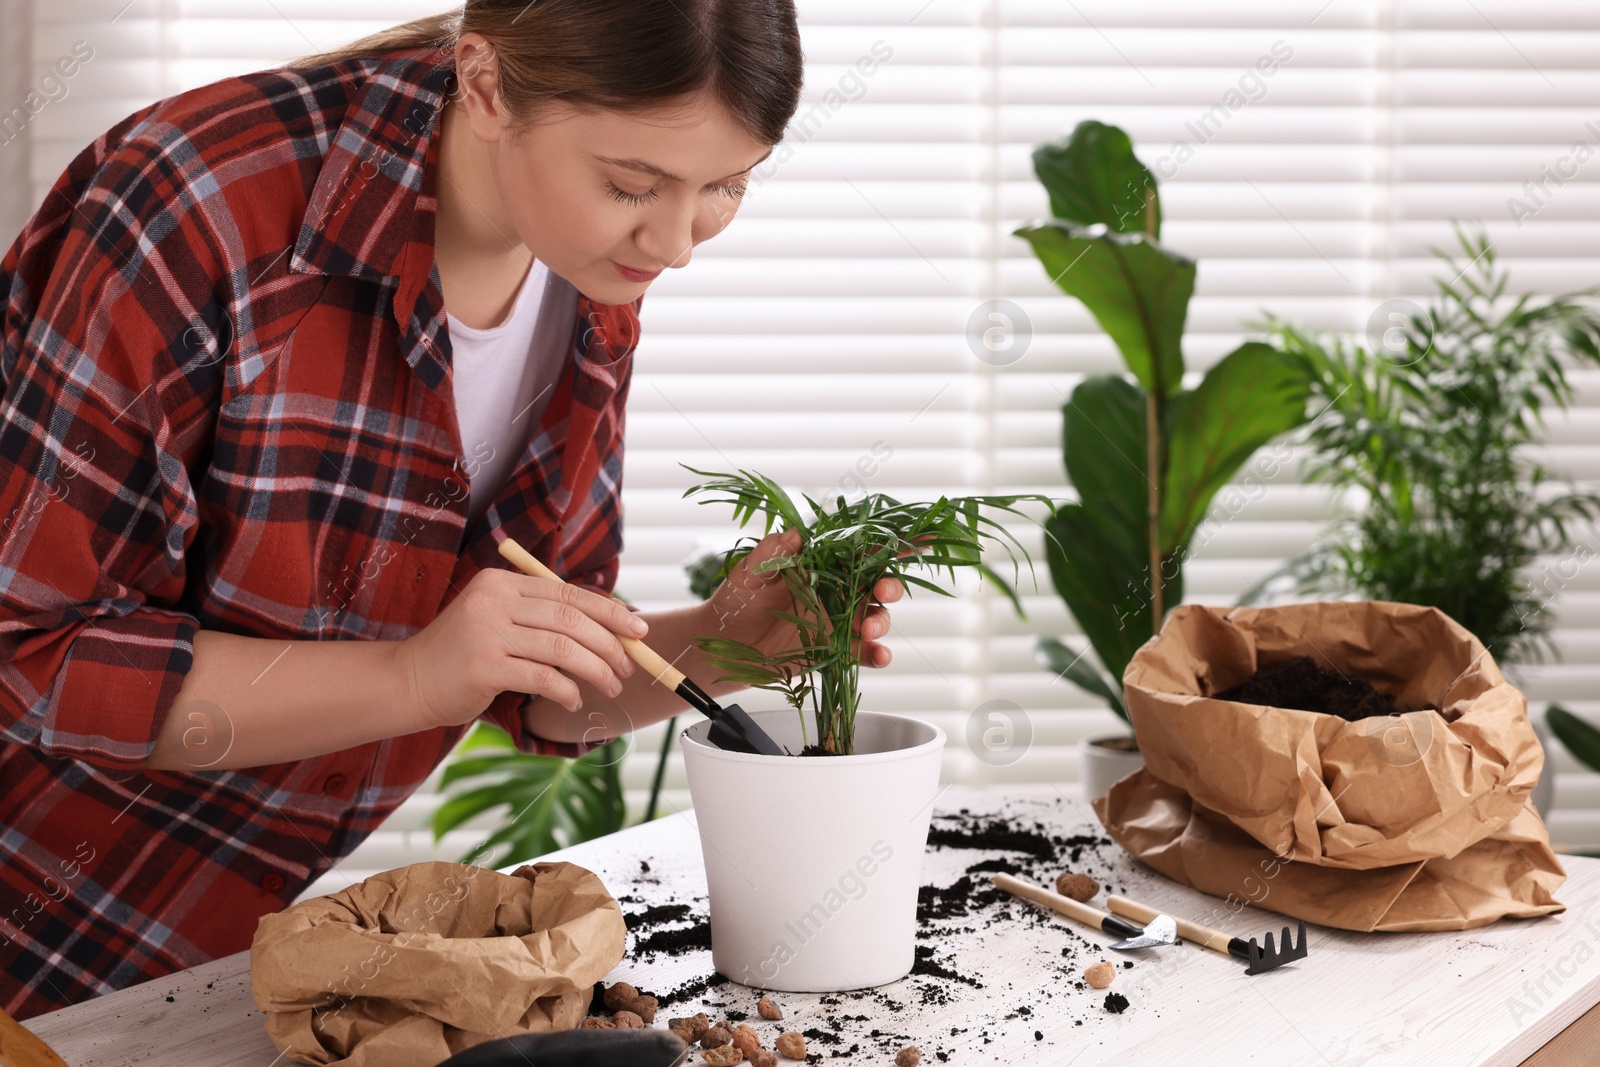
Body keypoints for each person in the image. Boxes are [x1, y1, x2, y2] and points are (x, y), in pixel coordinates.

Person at [0, 1, 901, 1019]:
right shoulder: (196, 201)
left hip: (198, 951)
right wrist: (412, 673)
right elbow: (34, 656)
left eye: (728, 184)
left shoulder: (587, 259)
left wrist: (721, 643)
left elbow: (532, 683)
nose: (678, 242)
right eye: (631, 185)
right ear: (482, 83)